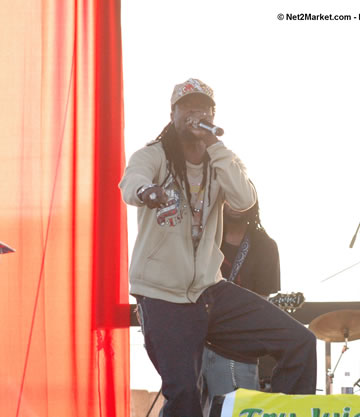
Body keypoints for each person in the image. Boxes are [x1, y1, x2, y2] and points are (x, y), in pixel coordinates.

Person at [120, 78, 316, 417]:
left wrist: (215, 146)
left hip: (209, 291)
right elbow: (131, 182)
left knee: (299, 341)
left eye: (204, 108)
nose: (196, 114)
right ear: (173, 114)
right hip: (163, 296)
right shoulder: (154, 155)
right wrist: (148, 193)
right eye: (188, 108)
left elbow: (243, 199)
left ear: (213, 115)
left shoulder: (221, 159)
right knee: (184, 395)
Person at [199, 198, 281, 414]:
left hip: (236, 348)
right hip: (195, 339)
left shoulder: (265, 246)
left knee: (235, 409)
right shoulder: (203, 237)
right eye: (229, 198)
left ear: (251, 203)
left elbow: (262, 302)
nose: (235, 206)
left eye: (240, 198)